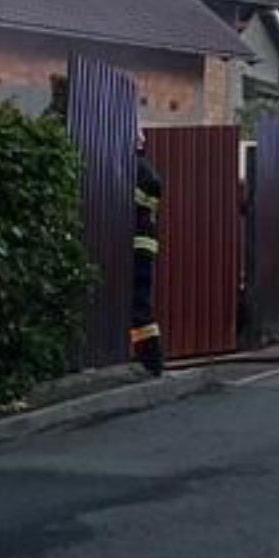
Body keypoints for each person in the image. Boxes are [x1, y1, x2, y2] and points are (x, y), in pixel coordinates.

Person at [130, 130, 166, 375]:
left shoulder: (141, 170)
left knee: (138, 307)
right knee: (137, 306)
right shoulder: (143, 168)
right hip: (141, 245)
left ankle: (151, 363)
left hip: (139, 245)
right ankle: (148, 361)